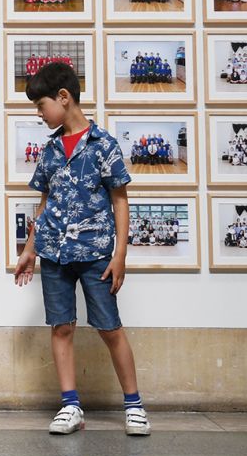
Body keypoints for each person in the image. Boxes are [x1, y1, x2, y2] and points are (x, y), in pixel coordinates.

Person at [14, 61, 149, 437]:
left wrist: (120, 255)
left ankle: (134, 406)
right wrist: (30, 249)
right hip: (54, 254)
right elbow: (46, 201)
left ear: (63, 97)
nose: (40, 115)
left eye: (41, 106)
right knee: (61, 328)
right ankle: (70, 405)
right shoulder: (51, 150)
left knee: (109, 328)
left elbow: (120, 201)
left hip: (96, 255)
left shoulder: (103, 145)